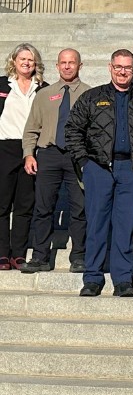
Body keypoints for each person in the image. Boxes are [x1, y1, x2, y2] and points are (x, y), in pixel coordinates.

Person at [64, 49, 133, 297]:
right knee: (97, 224)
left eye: (128, 68)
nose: (123, 72)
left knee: (125, 225)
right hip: (98, 169)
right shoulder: (92, 97)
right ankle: (92, 278)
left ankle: (123, 280)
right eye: (118, 67)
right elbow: (73, 130)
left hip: (132, 169)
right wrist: (85, 164)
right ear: (110, 68)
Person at [20, 48, 90, 273]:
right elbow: (31, 128)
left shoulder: (91, 94)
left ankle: (79, 256)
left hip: (77, 156)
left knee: (79, 208)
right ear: (57, 66)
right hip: (48, 155)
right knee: (43, 207)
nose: (67, 66)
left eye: (72, 62)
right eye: (63, 62)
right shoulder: (44, 94)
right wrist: (29, 154)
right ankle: (40, 256)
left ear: (80, 65)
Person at [0, 44, 46, 271]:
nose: (27, 62)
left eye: (31, 59)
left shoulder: (43, 88)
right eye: (23, 59)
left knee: (24, 205)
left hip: (31, 150)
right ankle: (1, 253)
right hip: (4, 147)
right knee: (1, 204)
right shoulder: (1, 84)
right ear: (14, 61)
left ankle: (18, 254)